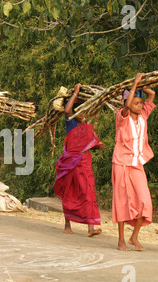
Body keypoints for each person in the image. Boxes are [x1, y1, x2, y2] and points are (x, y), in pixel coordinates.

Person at [112, 73, 156, 252]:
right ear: (127, 104)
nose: (140, 105)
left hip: (137, 164)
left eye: (140, 103)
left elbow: (151, 95)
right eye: (136, 103)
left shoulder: (143, 115)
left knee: (145, 201)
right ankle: (121, 240)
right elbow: (128, 105)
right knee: (122, 201)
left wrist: (141, 84)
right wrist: (135, 83)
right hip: (121, 163)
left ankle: (134, 236)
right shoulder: (122, 117)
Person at [54, 83, 105, 237]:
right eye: (80, 112)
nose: (83, 115)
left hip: (84, 163)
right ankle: (67, 224)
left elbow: (91, 144)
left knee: (88, 193)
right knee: (69, 192)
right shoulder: (71, 123)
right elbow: (67, 110)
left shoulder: (88, 127)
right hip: (70, 164)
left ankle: (91, 228)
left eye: (85, 112)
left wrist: (98, 146)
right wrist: (76, 92)